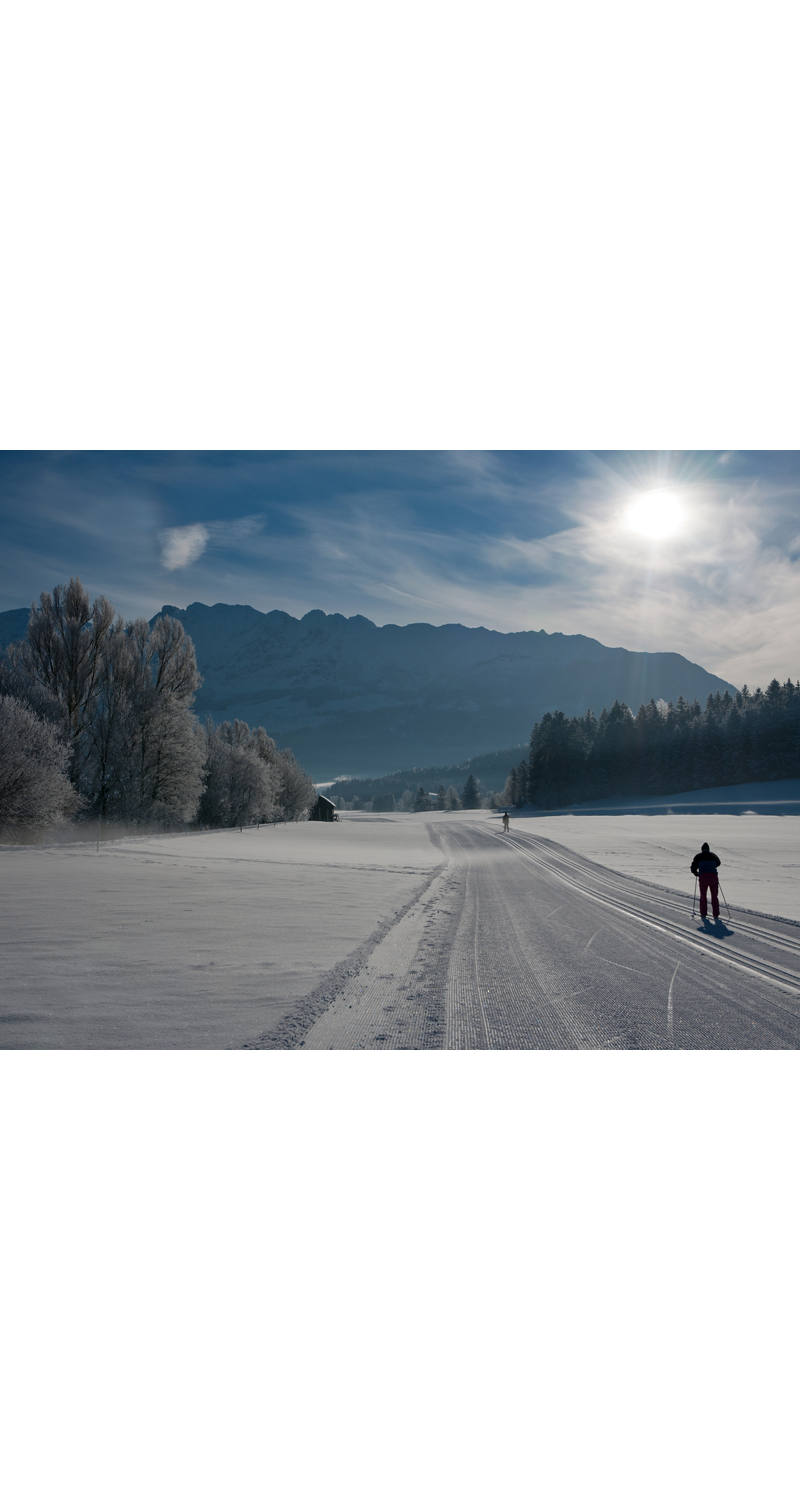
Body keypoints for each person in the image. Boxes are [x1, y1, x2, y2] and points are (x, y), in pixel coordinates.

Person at [690, 841, 721, 920]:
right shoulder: (713, 855)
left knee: (703, 896)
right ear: (708, 849)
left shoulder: (698, 856)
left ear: (702, 849)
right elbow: (718, 863)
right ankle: (716, 914)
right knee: (714, 896)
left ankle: (703, 913)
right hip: (713, 877)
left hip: (703, 878)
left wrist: (696, 873)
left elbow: (693, 867)